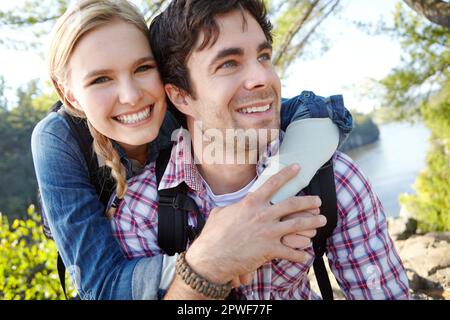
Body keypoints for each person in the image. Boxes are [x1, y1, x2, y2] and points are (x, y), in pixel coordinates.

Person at [31, 0, 347, 300]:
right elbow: (101, 286)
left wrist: (267, 203)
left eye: (143, 68)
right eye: (101, 79)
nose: (131, 96)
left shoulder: (179, 103)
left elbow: (306, 111)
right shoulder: (59, 140)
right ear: (68, 93)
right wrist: (210, 256)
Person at [110, 0, 410, 300]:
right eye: (228, 63)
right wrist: (208, 268)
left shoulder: (333, 179)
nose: (264, 78)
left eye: (264, 56)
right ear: (181, 96)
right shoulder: (142, 211)